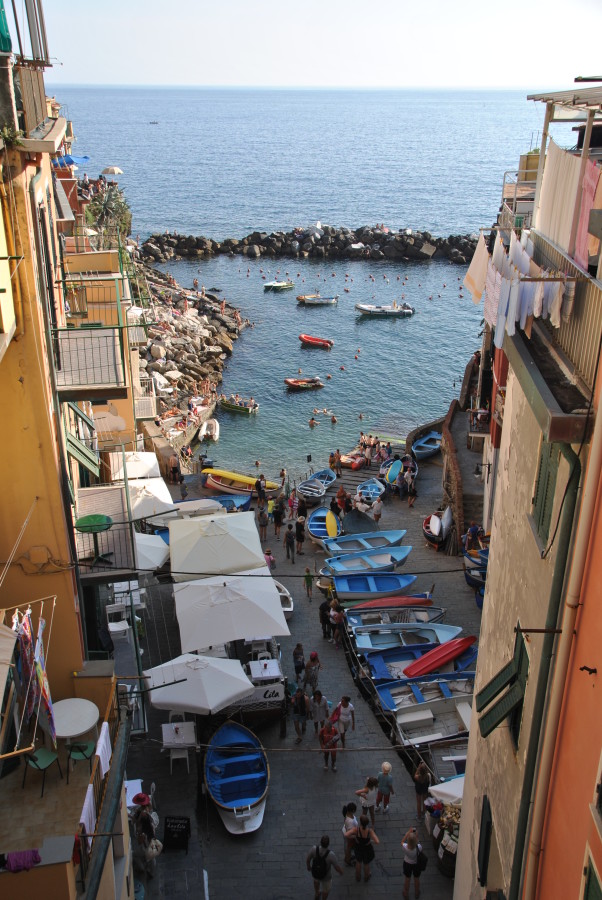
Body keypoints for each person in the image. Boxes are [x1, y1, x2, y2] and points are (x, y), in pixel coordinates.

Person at [306, 835, 342, 900]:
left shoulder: (314, 849)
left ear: (320, 842)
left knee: (316, 881)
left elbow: (308, 859)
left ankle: (317, 893)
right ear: (328, 844)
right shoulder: (331, 855)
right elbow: (337, 867)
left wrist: (308, 866)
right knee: (326, 890)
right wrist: (341, 872)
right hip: (326, 876)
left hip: (315, 872)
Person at [348, 814, 379, 884]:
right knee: (366, 863)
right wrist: (370, 841)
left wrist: (355, 837)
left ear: (360, 822)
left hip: (358, 847)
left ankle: (358, 877)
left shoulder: (356, 829)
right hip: (367, 849)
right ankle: (366, 877)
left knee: (358, 862)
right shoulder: (369, 831)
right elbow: (377, 841)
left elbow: (346, 835)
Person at [402, 827, 422, 899]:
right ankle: (416, 892)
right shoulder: (419, 847)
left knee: (407, 878)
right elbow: (418, 842)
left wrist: (408, 833)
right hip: (416, 864)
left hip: (407, 864)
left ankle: (406, 893)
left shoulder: (405, 847)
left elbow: (402, 842)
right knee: (416, 878)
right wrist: (416, 835)